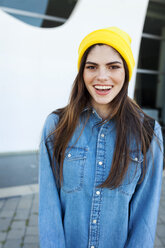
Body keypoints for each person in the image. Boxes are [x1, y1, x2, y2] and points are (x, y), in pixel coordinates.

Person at [39, 27, 164, 248]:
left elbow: (144, 219)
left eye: (113, 66)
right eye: (92, 67)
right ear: (82, 72)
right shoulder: (57, 125)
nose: (102, 76)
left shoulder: (148, 132)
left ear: (126, 72)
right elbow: (49, 211)